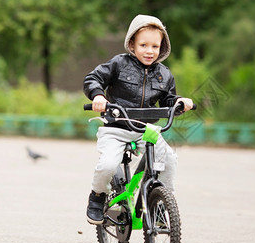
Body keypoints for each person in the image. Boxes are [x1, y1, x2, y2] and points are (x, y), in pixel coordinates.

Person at [83, 14, 194, 225]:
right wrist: (98, 95)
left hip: (146, 129)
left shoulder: (164, 74)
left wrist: (180, 102)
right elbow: (93, 78)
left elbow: (168, 100)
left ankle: (160, 206)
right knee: (107, 165)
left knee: (169, 159)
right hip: (115, 127)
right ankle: (97, 196)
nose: (150, 51)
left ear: (162, 48)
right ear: (132, 44)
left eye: (155, 46)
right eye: (144, 45)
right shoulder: (118, 64)